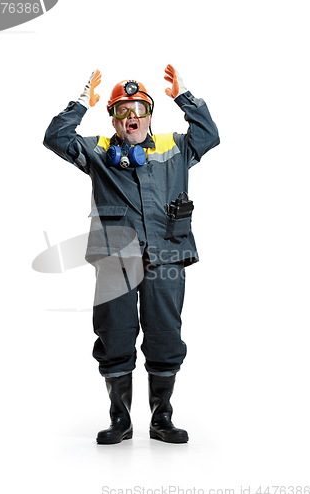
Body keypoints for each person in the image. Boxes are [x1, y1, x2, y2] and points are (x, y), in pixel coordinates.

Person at [43, 64, 220, 445]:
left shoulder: (175, 146)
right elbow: (55, 137)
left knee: (165, 337)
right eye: (122, 110)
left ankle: (162, 417)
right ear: (113, 118)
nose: (131, 117)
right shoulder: (98, 151)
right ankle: (120, 419)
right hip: (115, 263)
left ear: (150, 115)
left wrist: (185, 98)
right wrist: (79, 104)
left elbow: (209, 134)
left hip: (167, 258)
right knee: (115, 336)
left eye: (139, 109)